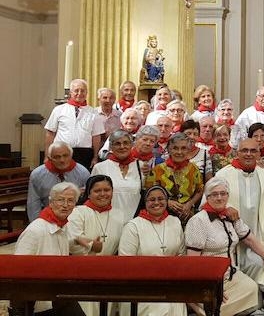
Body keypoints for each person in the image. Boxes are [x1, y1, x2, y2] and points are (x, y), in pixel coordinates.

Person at [185, 177, 264, 316]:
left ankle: (209, 310)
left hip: (230, 275)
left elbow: (250, 239)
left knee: (253, 290)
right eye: (214, 194)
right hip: (208, 280)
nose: (219, 198)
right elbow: (193, 263)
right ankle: (201, 307)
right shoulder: (198, 221)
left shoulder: (231, 216)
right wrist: (208, 287)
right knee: (217, 305)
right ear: (207, 197)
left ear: (228, 196)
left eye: (223, 193)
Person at [215, 138, 264, 288]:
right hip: (229, 236)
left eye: (253, 151)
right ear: (237, 153)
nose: (249, 154)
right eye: (244, 150)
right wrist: (225, 208)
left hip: (257, 234)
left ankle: (253, 296)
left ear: (259, 154)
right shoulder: (223, 174)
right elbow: (209, 200)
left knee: (258, 264)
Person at [11, 182, 85, 316]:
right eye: (60, 200)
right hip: (37, 298)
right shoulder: (35, 230)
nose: (65, 205)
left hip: (59, 293)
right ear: (51, 202)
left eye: (70, 201)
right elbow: (18, 268)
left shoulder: (63, 225)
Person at [118, 186, 187, 316]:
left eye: (161, 199)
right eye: (152, 199)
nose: (156, 203)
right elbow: (126, 262)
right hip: (143, 287)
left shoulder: (175, 222)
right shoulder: (133, 226)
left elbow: (181, 254)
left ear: (167, 201)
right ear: (145, 202)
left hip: (171, 285)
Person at [66, 175, 126, 316]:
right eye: (97, 191)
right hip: (83, 271)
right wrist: (92, 246)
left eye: (107, 190)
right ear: (88, 193)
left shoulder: (119, 214)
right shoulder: (78, 212)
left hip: (109, 271)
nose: (103, 194)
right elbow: (71, 240)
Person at [145, 133, 204, 223]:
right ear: (169, 149)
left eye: (183, 148)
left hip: (187, 215)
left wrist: (189, 204)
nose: (179, 152)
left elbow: (200, 190)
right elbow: (149, 192)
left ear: (188, 150)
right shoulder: (158, 169)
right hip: (163, 215)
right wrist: (167, 202)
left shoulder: (194, 169)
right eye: (175, 148)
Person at [45, 78, 104, 169]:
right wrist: (46, 156)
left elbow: (96, 137)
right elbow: (50, 133)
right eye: (76, 90)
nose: (79, 93)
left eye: (83, 91)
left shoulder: (94, 112)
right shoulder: (59, 110)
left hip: (84, 153)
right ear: (71, 92)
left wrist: (95, 157)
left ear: (87, 93)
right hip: (61, 152)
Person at [27, 142, 90, 222]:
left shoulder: (83, 173)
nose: (62, 160)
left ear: (71, 156)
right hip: (47, 217)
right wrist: (37, 223)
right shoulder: (37, 174)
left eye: (65, 156)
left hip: (75, 217)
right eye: (57, 157)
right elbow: (33, 203)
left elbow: (87, 200)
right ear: (49, 158)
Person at [91, 130, 144, 222]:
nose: (122, 147)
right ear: (111, 147)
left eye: (126, 143)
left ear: (132, 145)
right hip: (107, 220)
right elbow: (93, 197)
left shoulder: (141, 166)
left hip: (135, 221)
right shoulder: (100, 168)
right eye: (117, 144)